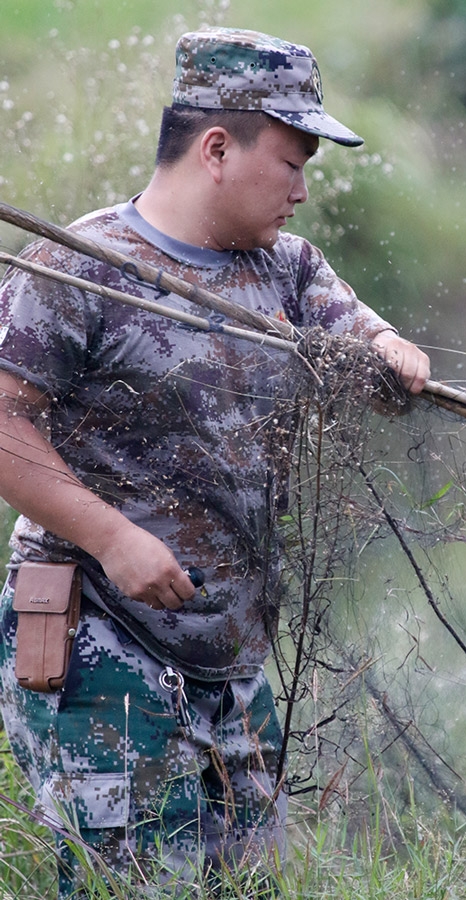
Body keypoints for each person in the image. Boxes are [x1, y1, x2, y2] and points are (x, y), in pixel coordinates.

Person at [0, 27, 430, 896]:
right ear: (218, 149)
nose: (304, 192)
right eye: (293, 162)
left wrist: (391, 347)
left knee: (253, 885)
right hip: (101, 634)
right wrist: (113, 538)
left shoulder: (286, 269)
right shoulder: (82, 267)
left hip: (229, 662)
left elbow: (370, 353)